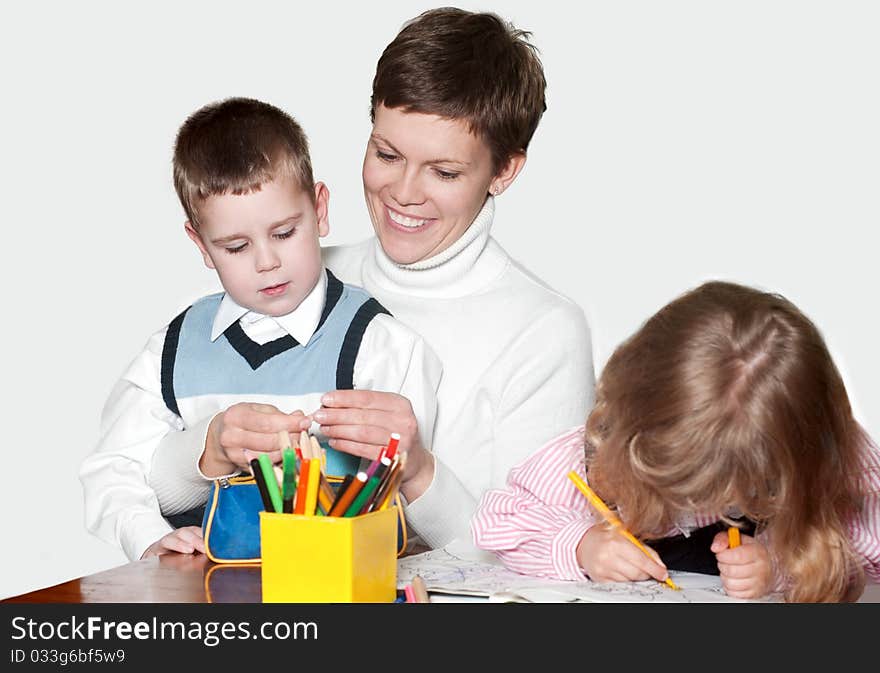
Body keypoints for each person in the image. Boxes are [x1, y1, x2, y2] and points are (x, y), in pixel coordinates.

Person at [149, 8, 594, 550]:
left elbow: (541, 560)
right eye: (387, 153)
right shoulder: (290, 276)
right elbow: (147, 487)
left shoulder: (544, 331)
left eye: (445, 171)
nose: (405, 192)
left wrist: (419, 471)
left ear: (505, 171)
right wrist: (209, 444)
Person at [79, 97, 440, 561]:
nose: (267, 263)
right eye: (235, 246)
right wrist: (148, 535)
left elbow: (406, 505)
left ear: (319, 209)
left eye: (285, 233)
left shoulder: (379, 343)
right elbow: (114, 468)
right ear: (201, 245)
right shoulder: (172, 349)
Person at [472, 280, 880, 602]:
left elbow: (869, 553)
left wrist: (783, 566)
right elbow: (498, 522)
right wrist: (580, 546)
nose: (704, 506)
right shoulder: (593, 458)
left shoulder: (834, 462)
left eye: (744, 491)